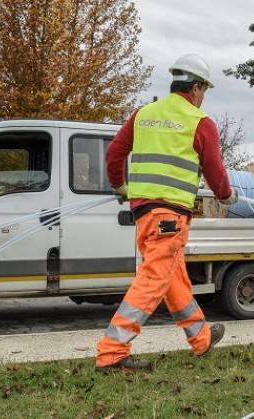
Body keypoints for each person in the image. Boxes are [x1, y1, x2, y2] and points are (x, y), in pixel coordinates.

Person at [96, 54, 237, 371]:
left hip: (144, 215)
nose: (203, 98)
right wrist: (228, 196)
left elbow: (115, 152)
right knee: (154, 280)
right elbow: (216, 175)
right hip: (171, 217)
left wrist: (120, 186)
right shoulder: (200, 123)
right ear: (197, 88)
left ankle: (200, 337)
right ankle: (112, 351)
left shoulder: (144, 114)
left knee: (174, 277)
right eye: (204, 92)